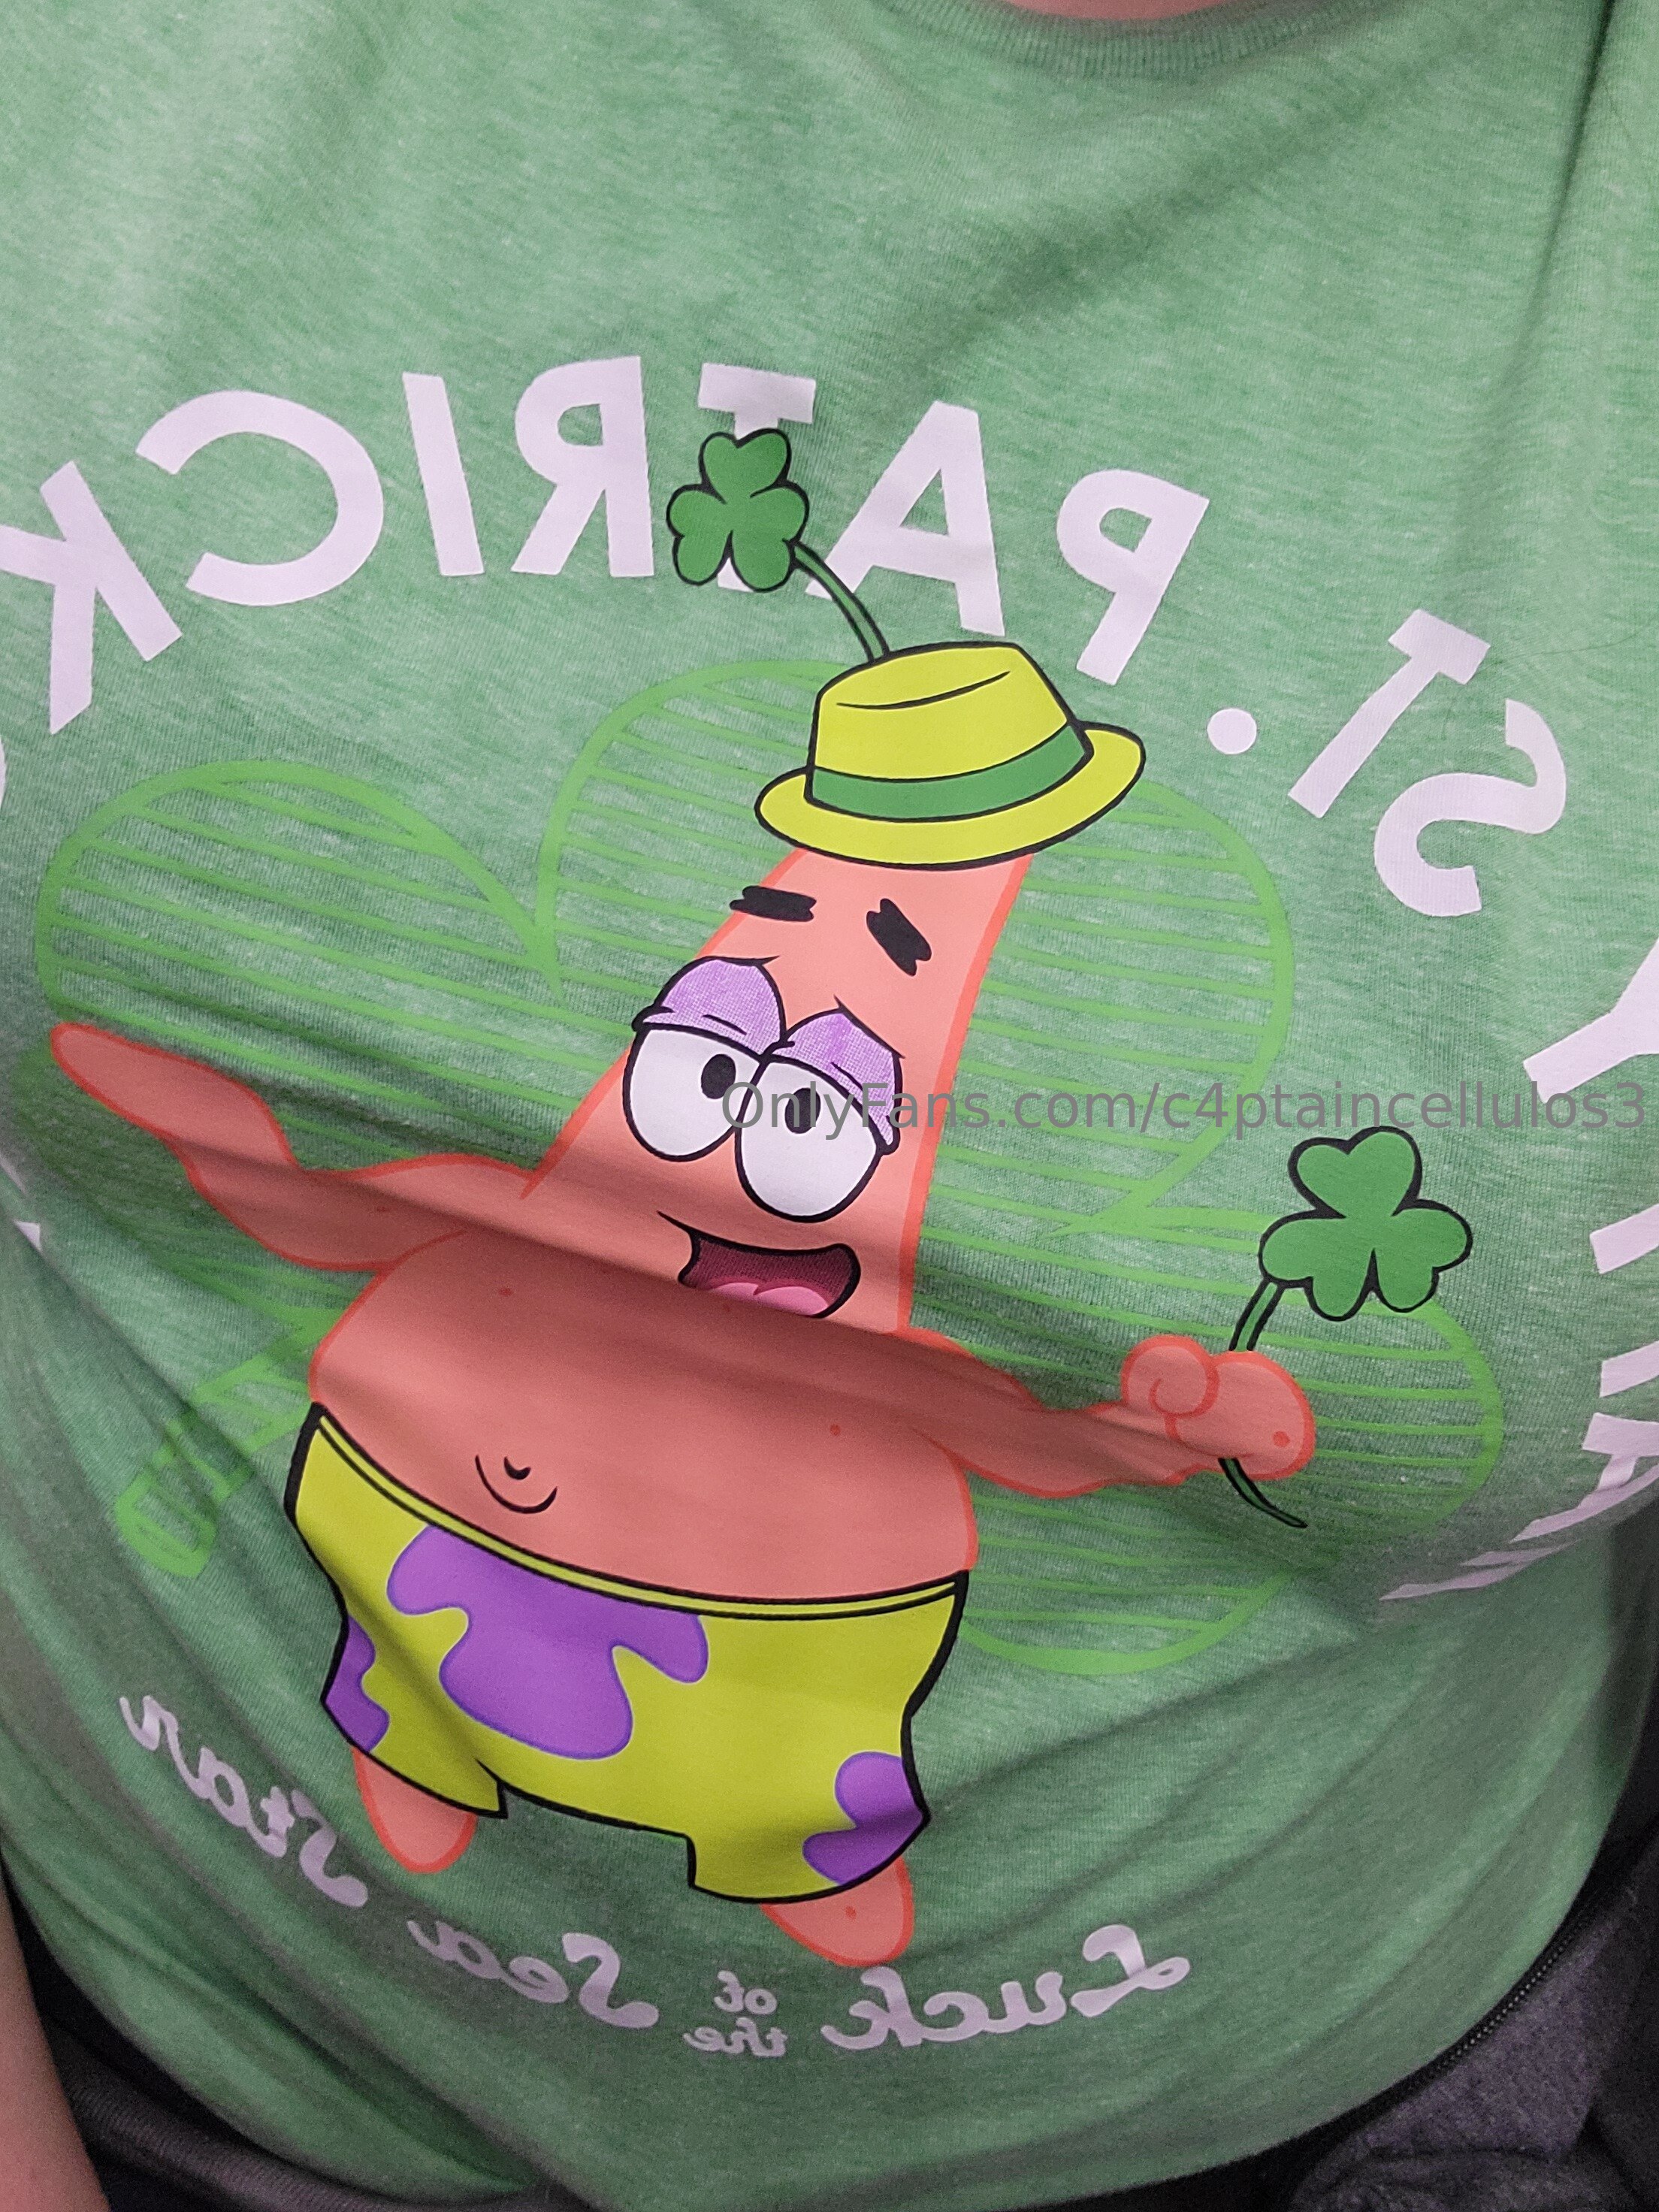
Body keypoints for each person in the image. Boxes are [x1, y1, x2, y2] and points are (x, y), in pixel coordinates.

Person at [3, 0, 1658, 2206]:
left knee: (797, 1782)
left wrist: (1167, 1430)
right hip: (150, 2033)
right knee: (427, 1703)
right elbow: (335, 1205)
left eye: (893, 940)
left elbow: (1027, 1430)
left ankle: (803, 1852)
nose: (796, 1027)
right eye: (807, 925)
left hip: (1310, 2117)